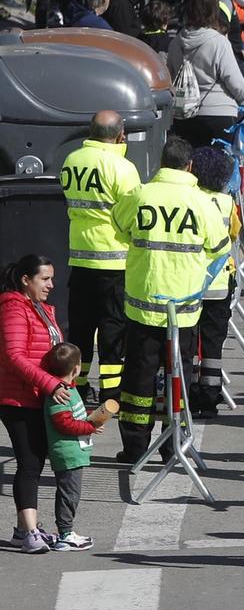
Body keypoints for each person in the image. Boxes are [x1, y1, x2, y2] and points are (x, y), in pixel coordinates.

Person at [111, 135, 231, 460]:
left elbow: (119, 228)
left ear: (161, 163)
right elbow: (220, 249)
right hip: (185, 310)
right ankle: (172, 445)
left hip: (142, 306)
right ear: (190, 166)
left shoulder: (140, 195)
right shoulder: (203, 203)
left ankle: (135, 448)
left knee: (138, 379)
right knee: (177, 377)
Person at [60, 110, 140, 406]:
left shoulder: (72, 160)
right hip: (114, 261)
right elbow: (131, 215)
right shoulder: (123, 167)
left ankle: (77, 389)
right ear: (121, 135)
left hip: (79, 259)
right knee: (112, 330)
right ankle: (111, 393)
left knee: (80, 328)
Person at [3, 254, 65, 550]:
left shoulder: (39, 308)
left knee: (35, 461)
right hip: (17, 397)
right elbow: (15, 357)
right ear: (26, 280)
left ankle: (22, 529)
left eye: (52, 278)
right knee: (29, 463)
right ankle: (29, 533)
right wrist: (50, 383)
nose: (51, 284)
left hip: (36, 394)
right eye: (45, 279)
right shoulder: (15, 310)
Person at [40, 342, 118, 549]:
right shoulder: (61, 394)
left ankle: (66, 530)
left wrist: (90, 423)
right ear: (76, 369)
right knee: (69, 494)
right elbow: (64, 423)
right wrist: (88, 427)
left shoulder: (67, 389)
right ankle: (65, 533)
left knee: (70, 493)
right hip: (67, 453)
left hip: (74, 451)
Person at [172, 0, 244, 147]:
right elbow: (235, 83)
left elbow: (171, 74)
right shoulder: (219, 42)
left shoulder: (176, 42)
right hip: (219, 113)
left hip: (185, 114)